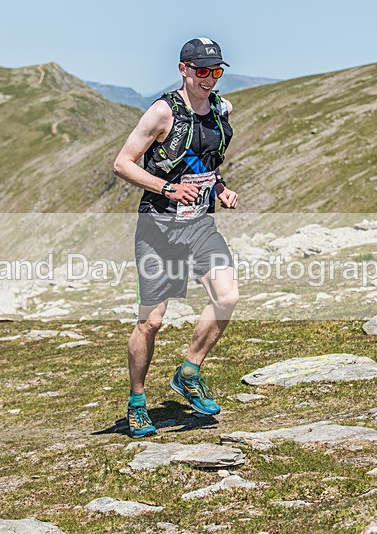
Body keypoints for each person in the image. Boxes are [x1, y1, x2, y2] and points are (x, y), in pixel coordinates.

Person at [112, 37, 240, 438]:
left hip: (200, 225)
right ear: (183, 69)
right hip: (159, 227)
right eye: (202, 71)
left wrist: (219, 189)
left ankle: (189, 371)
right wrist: (167, 189)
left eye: (216, 72)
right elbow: (122, 164)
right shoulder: (162, 113)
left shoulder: (221, 110)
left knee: (227, 297)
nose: (209, 79)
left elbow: (205, 161)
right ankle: (137, 403)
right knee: (151, 322)